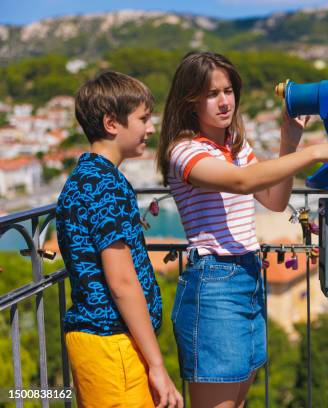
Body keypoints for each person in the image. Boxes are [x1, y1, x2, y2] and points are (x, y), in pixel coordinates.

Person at [156, 51, 328, 407]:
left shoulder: (235, 147)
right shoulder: (184, 150)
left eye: (228, 90)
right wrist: (316, 153)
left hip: (248, 276)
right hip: (214, 284)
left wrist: (290, 142)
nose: (224, 101)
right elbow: (240, 182)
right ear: (190, 99)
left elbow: (273, 200)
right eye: (212, 93)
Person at [55, 71, 183, 408]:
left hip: (100, 346)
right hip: (113, 347)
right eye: (143, 118)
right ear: (112, 123)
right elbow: (122, 282)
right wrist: (157, 365)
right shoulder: (104, 185)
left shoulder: (86, 177)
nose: (151, 128)